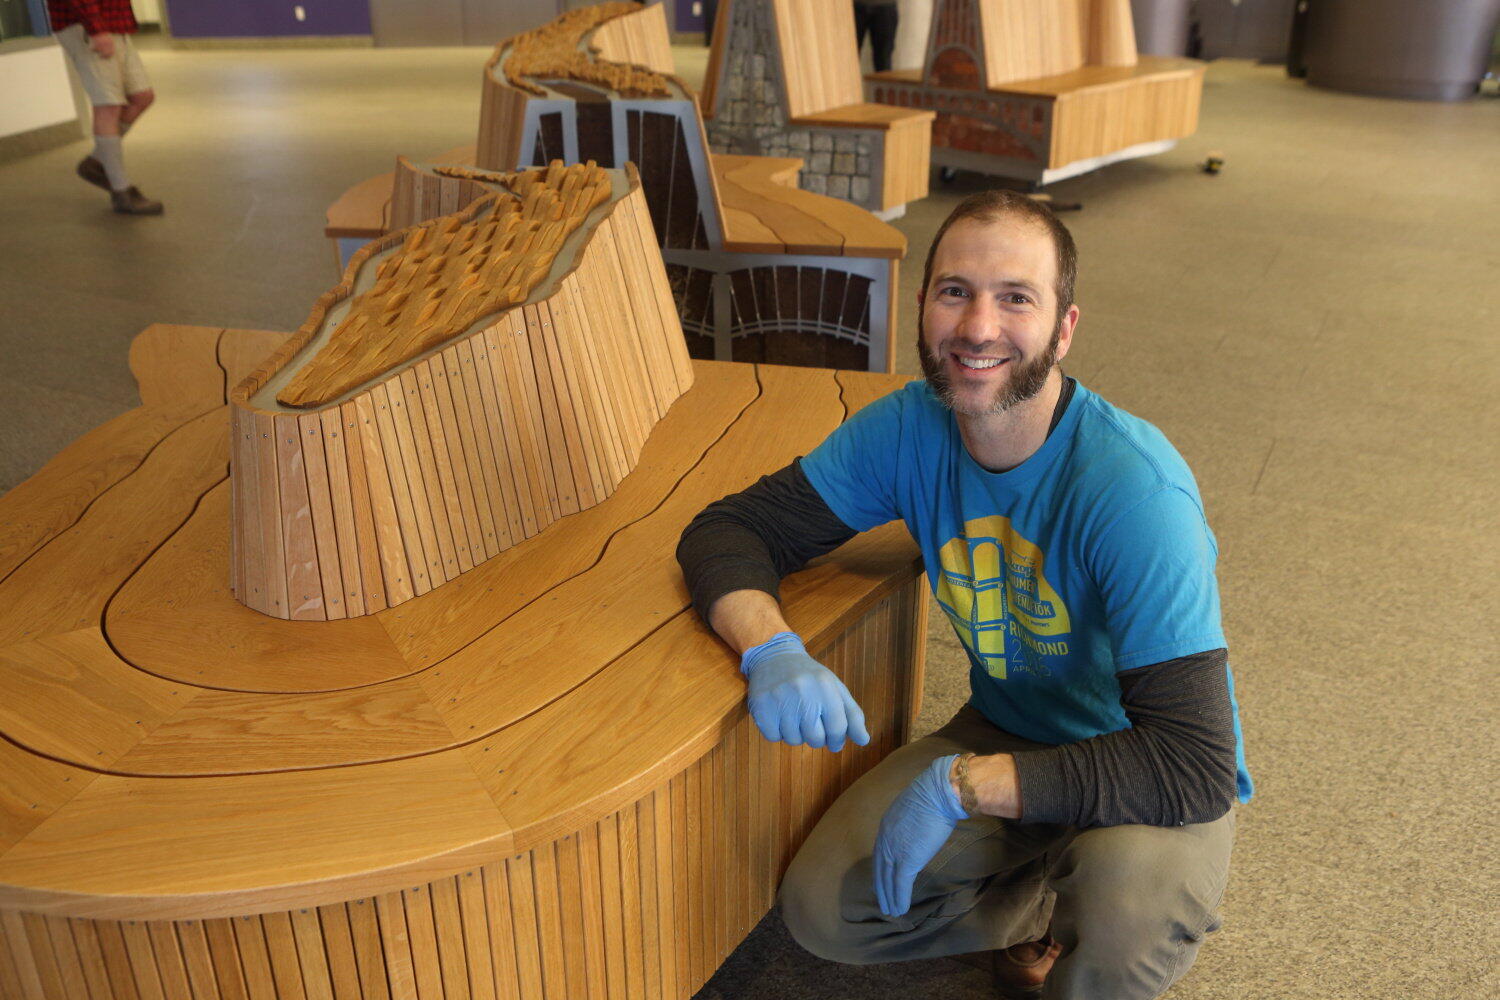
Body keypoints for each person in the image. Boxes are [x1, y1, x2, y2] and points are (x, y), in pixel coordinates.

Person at [677, 190, 1251, 999]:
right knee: (822, 910)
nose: (978, 328)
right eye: (956, 292)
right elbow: (731, 529)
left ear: (1064, 328)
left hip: (1140, 760)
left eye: (1016, 297)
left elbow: (1194, 762)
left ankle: (1083, 917)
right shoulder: (912, 426)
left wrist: (963, 788)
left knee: (1124, 925)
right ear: (923, 307)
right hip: (1011, 726)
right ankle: (1035, 904)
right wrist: (770, 646)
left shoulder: (1136, 490)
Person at [50, 0, 163, 214]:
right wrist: (96, 30)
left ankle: (96, 161)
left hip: (114, 23)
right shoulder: (93, 28)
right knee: (108, 106)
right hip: (86, 27)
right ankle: (122, 192)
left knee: (142, 96)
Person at [853, 0, 900, 73]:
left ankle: (884, 84)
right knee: (849, 56)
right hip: (854, 6)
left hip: (886, 6)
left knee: (884, 59)